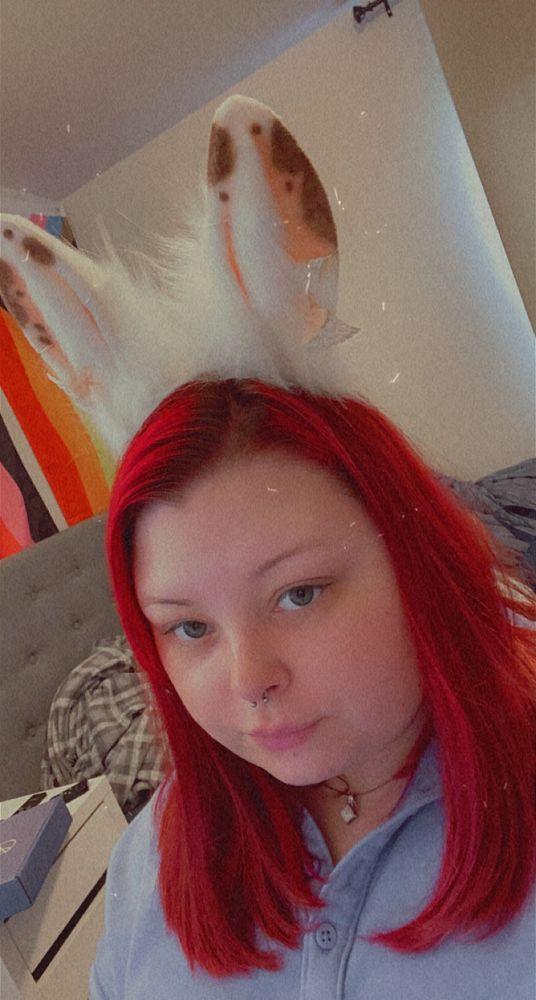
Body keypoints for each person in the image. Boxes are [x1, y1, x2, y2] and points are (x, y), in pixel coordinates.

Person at [89, 375, 535, 999]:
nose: (250, 680)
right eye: (190, 628)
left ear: (416, 561)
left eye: (299, 595)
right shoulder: (153, 859)